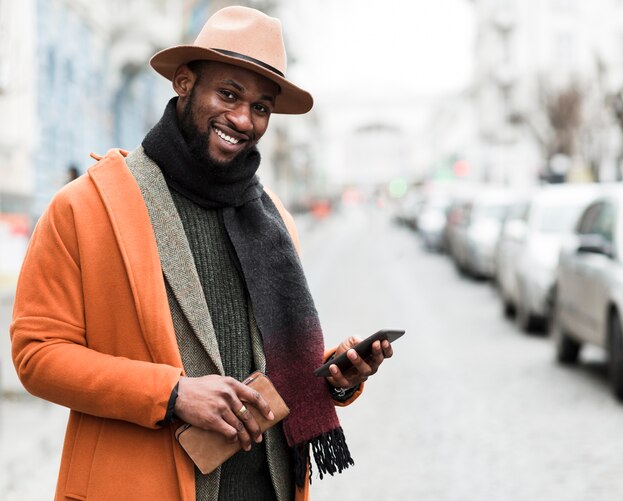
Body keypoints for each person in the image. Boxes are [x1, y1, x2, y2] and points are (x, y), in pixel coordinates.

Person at [10, 6, 393, 501]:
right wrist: (171, 394)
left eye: (260, 107)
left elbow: (274, 375)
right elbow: (37, 355)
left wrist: (334, 379)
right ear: (185, 83)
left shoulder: (275, 220)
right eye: (229, 94)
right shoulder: (85, 207)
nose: (243, 119)